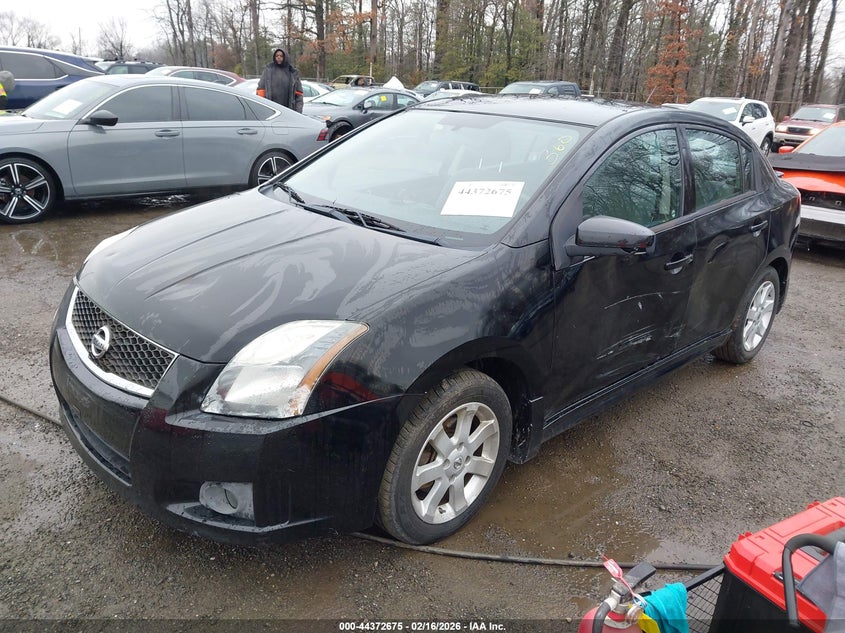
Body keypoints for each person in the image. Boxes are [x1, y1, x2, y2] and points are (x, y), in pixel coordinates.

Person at [256, 48, 304, 113]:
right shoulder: (268, 70)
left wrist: (298, 111)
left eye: (281, 56)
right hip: (271, 110)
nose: (278, 57)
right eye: (277, 56)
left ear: (285, 57)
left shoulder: (292, 72)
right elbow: (261, 91)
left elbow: (299, 95)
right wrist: (262, 109)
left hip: (289, 110)